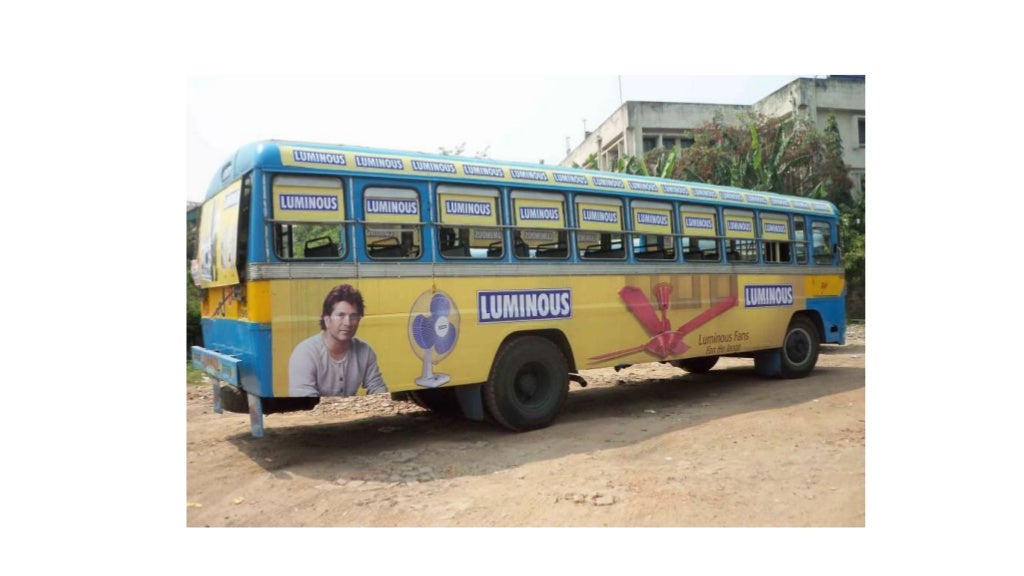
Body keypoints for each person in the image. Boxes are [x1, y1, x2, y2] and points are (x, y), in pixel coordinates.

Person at [288, 284, 387, 397]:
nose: (348, 323)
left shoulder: (365, 351)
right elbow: (304, 401)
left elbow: (377, 388)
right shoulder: (305, 353)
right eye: (341, 315)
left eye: (354, 316)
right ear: (327, 319)